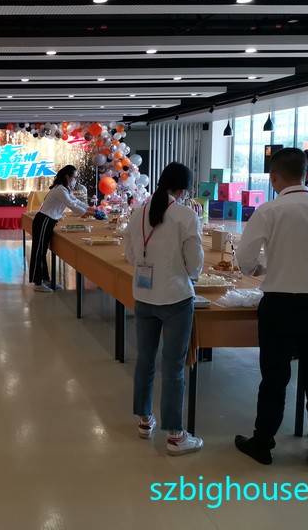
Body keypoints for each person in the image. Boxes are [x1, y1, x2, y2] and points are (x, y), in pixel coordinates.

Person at [235, 148, 308, 469]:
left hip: (279, 303)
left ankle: (263, 444)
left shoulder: (269, 210)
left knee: (274, 377)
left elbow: (245, 259)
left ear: (274, 177)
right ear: (306, 174)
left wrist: (262, 269)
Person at [123, 162, 205, 455]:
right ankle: (175, 435)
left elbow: (130, 255)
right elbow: (195, 261)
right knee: (173, 367)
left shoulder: (138, 212)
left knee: (145, 360)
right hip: (176, 299)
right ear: (183, 189)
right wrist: (188, 276)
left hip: (144, 297)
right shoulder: (186, 215)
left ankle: (145, 420)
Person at [29, 165, 95, 292]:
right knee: (39, 251)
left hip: (49, 221)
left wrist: (93, 210)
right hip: (44, 220)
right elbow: (72, 206)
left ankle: (45, 279)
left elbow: (76, 201)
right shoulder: (60, 189)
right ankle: (38, 282)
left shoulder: (65, 189)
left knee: (43, 251)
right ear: (67, 176)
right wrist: (93, 214)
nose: (75, 180)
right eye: (74, 177)